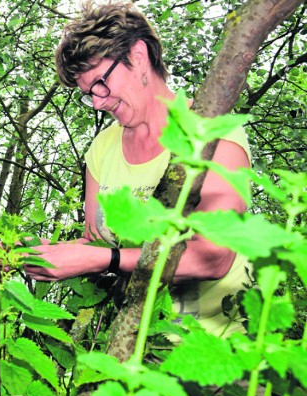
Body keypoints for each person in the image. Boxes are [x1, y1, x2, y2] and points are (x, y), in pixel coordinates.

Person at [23, 2, 251, 338]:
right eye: (88, 94)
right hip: (131, 347)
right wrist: (49, 254)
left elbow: (213, 258)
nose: (98, 102)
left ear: (139, 55)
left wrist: (106, 260)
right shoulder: (103, 148)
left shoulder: (211, 131)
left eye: (101, 82)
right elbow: (98, 246)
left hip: (215, 353)